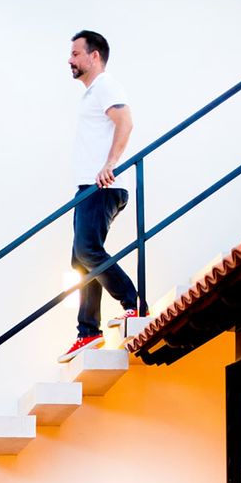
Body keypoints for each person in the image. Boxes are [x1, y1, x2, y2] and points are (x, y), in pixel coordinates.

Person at [58, 30, 145, 363]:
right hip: (88, 187)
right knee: (80, 260)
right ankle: (88, 331)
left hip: (102, 185)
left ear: (94, 56)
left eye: (76, 53)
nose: (70, 59)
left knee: (87, 250)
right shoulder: (91, 93)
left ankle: (133, 304)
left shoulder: (105, 85)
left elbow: (125, 121)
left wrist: (110, 165)